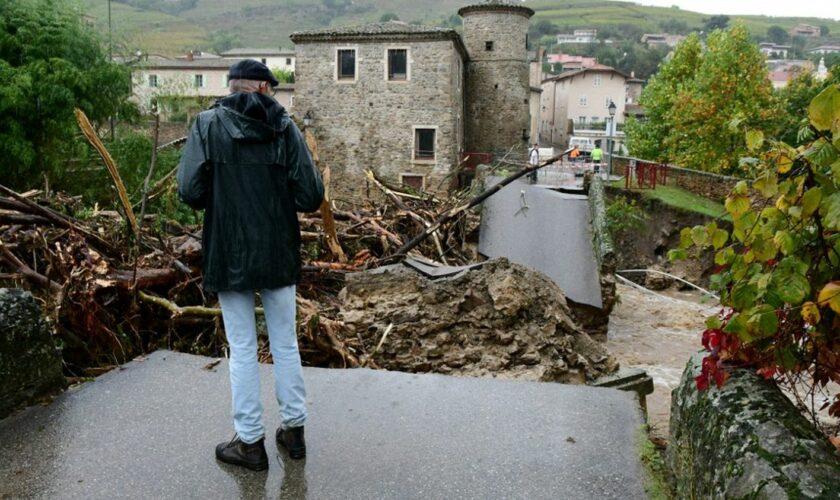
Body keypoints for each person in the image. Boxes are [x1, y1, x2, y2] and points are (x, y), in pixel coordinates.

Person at [177, 59, 324, 471]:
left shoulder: (207, 125)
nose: (274, 95)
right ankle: (294, 433)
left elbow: (189, 190)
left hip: (229, 248)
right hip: (279, 249)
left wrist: (224, 199)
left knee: (242, 348)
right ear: (260, 87)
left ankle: (250, 444)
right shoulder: (286, 128)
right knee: (285, 342)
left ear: (234, 86)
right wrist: (275, 198)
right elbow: (311, 195)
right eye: (272, 89)